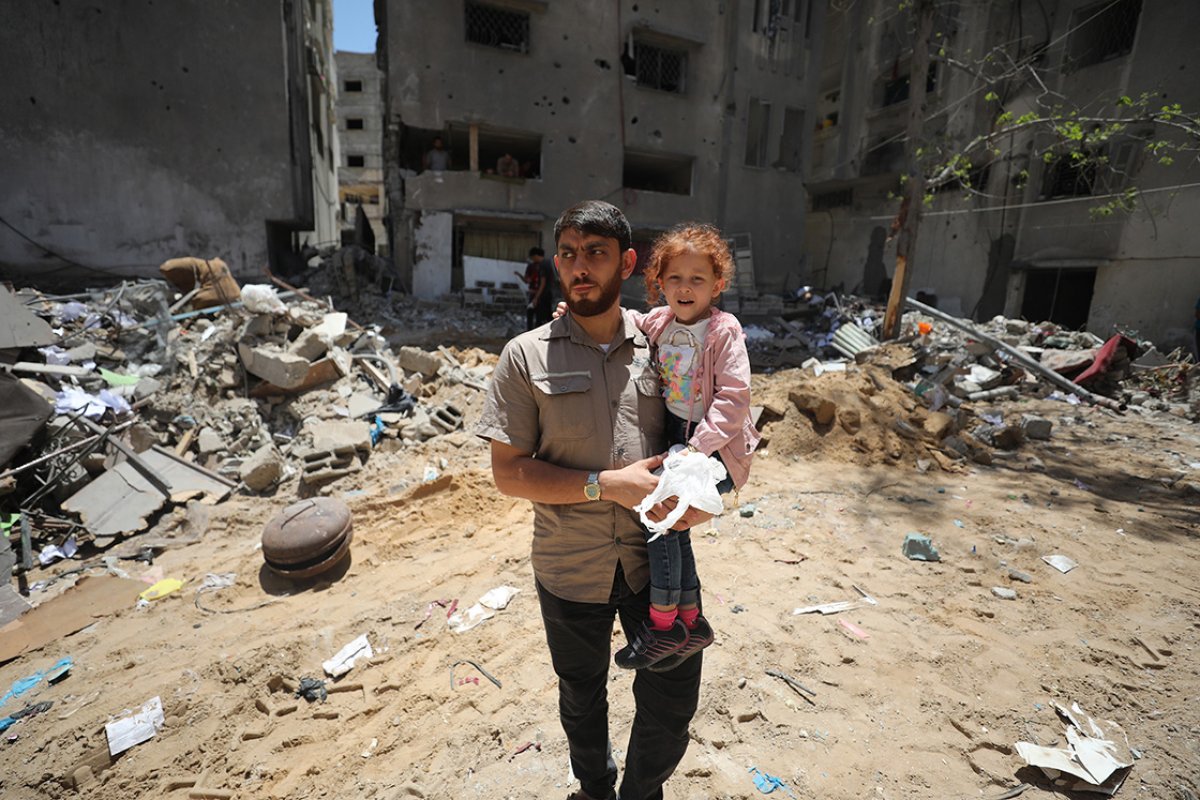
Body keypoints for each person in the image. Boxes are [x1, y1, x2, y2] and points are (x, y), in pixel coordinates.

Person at [477, 200, 708, 800]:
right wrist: (604, 485)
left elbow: (715, 424)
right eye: (569, 254)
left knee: (674, 689)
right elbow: (509, 473)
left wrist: (712, 493)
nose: (580, 267)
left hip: (654, 561)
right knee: (581, 692)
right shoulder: (525, 356)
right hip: (567, 565)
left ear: (628, 263)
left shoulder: (666, 346)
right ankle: (596, 787)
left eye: (596, 254)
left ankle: (641, 791)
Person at [556, 223, 761, 672]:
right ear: (659, 282)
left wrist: (697, 450)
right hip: (677, 438)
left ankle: (665, 627)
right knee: (673, 524)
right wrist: (569, 314)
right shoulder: (660, 321)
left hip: (715, 447)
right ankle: (691, 620)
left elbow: (733, 398)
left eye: (697, 279)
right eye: (675, 279)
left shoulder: (723, 331)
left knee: (661, 518)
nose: (685, 288)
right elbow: (622, 320)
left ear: (718, 285)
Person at [513, 247, 554, 330]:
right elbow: (527, 280)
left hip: (542, 295)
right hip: (543, 294)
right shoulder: (546, 264)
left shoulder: (543, 265)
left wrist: (536, 298)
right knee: (541, 315)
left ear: (535, 256)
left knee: (539, 317)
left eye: (532, 258)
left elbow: (542, 283)